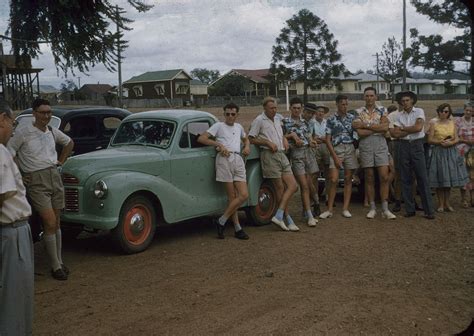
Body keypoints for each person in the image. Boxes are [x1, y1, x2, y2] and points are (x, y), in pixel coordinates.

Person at [8, 98, 74, 280]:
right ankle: (54, 266)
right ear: (34, 113)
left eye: (48, 112)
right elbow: (9, 152)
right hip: (36, 180)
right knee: (49, 221)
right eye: (42, 112)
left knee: (57, 222)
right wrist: (19, 175)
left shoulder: (52, 131)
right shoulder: (23, 132)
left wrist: (61, 161)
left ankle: (59, 262)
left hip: (54, 175)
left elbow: (69, 143)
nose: (46, 116)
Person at [0, 101, 34, 335]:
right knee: (14, 297)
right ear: (2, 119)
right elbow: (2, 194)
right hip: (10, 231)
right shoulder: (0, 152)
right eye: (12, 123)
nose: (13, 129)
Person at [197, 102, 250, 239]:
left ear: (237, 114)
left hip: (237, 159)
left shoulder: (239, 127)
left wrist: (246, 146)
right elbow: (202, 138)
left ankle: (221, 220)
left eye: (233, 114)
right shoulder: (218, 126)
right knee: (232, 196)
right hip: (224, 159)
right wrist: (218, 144)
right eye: (227, 114)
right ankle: (238, 228)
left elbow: (246, 139)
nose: (230, 117)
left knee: (243, 194)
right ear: (224, 114)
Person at [248, 97, 298, 231]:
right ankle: (287, 218)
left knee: (293, 185)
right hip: (269, 155)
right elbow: (251, 138)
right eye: (271, 108)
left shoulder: (278, 118)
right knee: (279, 188)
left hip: (281, 154)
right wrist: (266, 142)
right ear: (265, 108)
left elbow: (279, 133)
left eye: (275, 107)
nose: (274, 110)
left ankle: (279, 214)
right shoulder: (259, 120)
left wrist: (284, 139)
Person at [389, 91, 435, 219]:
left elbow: (418, 128)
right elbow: (395, 134)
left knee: (422, 177)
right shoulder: (399, 115)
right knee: (405, 178)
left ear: (412, 101)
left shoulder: (419, 111)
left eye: (407, 100)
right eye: (403, 101)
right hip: (403, 146)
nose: (405, 103)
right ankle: (410, 209)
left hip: (417, 145)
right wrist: (409, 129)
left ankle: (429, 210)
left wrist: (403, 129)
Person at [353, 87, 396, 220]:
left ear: (376, 97)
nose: (369, 98)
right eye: (367, 96)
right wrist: (376, 128)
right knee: (369, 176)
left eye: (372, 95)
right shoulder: (358, 111)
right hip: (365, 145)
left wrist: (365, 126)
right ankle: (372, 208)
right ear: (363, 97)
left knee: (383, 176)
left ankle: (385, 208)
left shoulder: (383, 110)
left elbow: (384, 128)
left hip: (380, 144)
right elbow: (359, 132)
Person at [281, 98, 318, 227]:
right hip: (296, 155)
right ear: (290, 108)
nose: (297, 110)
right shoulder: (285, 122)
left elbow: (308, 136)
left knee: (310, 182)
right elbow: (279, 136)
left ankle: (308, 212)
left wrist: (312, 141)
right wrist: (291, 136)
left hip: (307, 152)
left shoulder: (305, 122)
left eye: (298, 108)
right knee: (304, 185)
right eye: (294, 108)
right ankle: (309, 215)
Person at [320, 94, 358, 219]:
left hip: (349, 148)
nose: (345, 106)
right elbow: (328, 139)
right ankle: (329, 209)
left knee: (348, 179)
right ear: (337, 104)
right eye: (342, 104)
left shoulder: (352, 118)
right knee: (333, 179)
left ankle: (345, 209)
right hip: (336, 149)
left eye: (346, 104)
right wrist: (335, 156)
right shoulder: (331, 119)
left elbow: (357, 135)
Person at [428, 103, 468, 212]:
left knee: (448, 178)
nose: (444, 113)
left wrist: (451, 143)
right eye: (442, 111)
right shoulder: (433, 124)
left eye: (446, 111)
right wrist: (440, 142)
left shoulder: (453, 123)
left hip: (451, 152)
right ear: (438, 112)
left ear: (449, 113)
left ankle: (447, 203)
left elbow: (457, 138)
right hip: (439, 152)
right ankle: (440, 204)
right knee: (440, 177)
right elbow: (430, 139)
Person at [309, 102, 330, 214]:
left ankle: (328, 197)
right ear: (315, 113)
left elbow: (328, 136)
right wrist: (318, 138)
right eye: (318, 111)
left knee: (328, 173)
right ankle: (314, 198)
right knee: (314, 173)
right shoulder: (311, 123)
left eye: (322, 112)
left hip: (326, 147)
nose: (320, 113)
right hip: (315, 147)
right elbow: (312, 137)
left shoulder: (327, 122)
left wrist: (321, 138)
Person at [455, 101, 474, 208]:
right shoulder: (458, 122)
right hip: (462, 150)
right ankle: (463, 199)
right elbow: (455, 136)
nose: (468, 112)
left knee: (472, 175)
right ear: (464, 110)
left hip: (473, 151)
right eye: (467, 110)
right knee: (463, 175)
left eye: (471, 111)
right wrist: (466, 141)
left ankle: (472, 198)